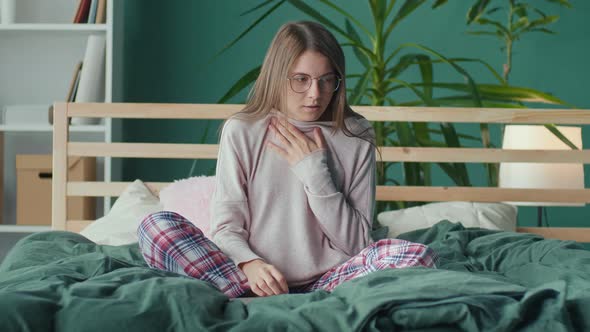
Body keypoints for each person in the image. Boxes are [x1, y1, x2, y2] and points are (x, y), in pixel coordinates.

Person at [137, 21, 438, 298]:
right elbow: (227, 227)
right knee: (155, 227)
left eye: (326, 80)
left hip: (332, 280)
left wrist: (315, 173)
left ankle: (245, 301)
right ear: (278, 77)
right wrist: (250, 264)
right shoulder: (243, 130)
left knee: (416, 256)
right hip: (251, 277)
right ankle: (250, 294)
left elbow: (358, 244)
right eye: (301, 79)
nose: (314, 94)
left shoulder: (356, 135)